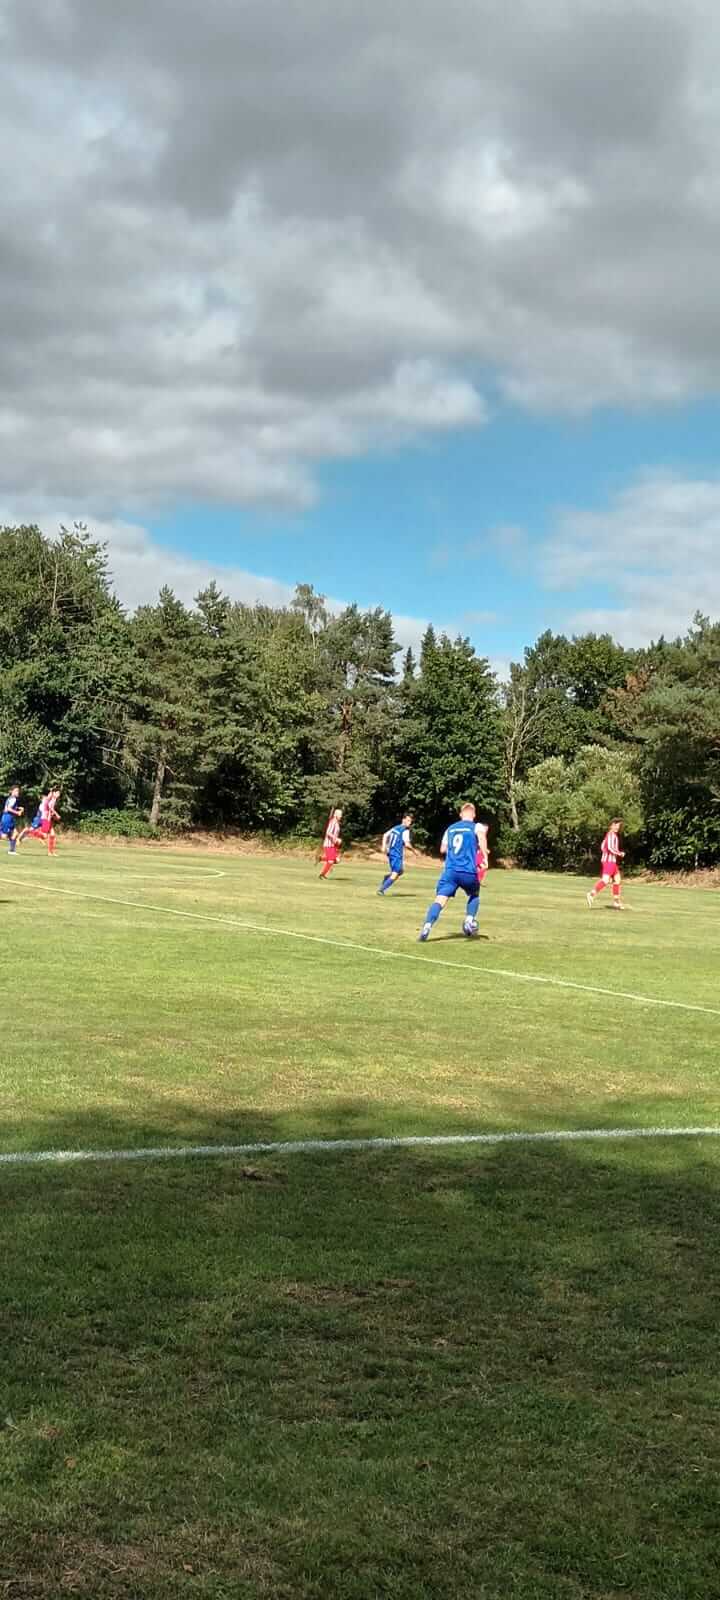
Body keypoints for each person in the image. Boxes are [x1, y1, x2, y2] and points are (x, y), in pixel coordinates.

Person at [418, 802, 485, 941]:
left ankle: (427, 925)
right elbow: (482, 838)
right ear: (473, 814)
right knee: (475, 894)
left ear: (461, 814)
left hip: (450, 871)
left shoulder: (450, 828)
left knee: (440, 899)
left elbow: (443, 849)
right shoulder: (476, 826)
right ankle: (469, 920)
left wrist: (455, 853)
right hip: (467, 870)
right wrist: (484, 854)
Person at [586, 819, 625, 910]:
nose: (617, 828)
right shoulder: (611, 835)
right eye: (616, 826)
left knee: (617, 880)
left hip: (610, 861)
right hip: (609, 862)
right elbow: (610, 848)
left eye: (618, 827)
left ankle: (616, 902)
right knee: (606, 880)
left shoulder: (609, 835)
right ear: (611, 825)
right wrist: (619, 853)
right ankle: (591, 894)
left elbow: (603, 846)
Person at [377, 812, 416, 895]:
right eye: (408, 820)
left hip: (390, 853)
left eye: (410, 821)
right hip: (396, 854)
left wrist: (384, 847)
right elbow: (407, 844)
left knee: (400, 871)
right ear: (403, 820)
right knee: (395, 873)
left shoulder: (395, 828)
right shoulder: (405, 831)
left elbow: (385, 835)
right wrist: (414, 850)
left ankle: (387, 878)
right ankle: (381, 890)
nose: (410, 823)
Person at [18, 787, 61, 855]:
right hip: (46, 818)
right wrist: (56, 814)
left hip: (48, 818)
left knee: (52, 834)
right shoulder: (51, 799)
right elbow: (50, 807)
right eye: (58, 793)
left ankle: (50, 852)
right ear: (54, 793)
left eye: (59, 793)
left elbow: (49, 808)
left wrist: (53, 815)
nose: (59, 794)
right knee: (44, 836)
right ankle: (29, 831)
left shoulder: (53, 799)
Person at [319, 807, 343, 879]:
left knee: (336, 860)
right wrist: (336, 839)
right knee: (331, 861)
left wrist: (337, 842)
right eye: (340, 815)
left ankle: (321, 858)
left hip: (333, 845)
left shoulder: (337, 823)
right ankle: (322, 875)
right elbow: (328, 832)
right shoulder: (333, 822)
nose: (341, 816)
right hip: (328, 844)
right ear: (335, 815)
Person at [0, 786, 23, 854]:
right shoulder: (13, 799)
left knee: (15, 833)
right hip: (7, 818)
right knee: (4, 836)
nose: (18, 792)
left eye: (18, 791)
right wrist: (17, 812)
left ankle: (11, 851)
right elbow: (8, 809)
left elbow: (7, 807)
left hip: (9, 818)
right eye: (16, 791)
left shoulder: (10, 798)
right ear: (11, 791)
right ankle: (11, 850)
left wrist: (18, 808)